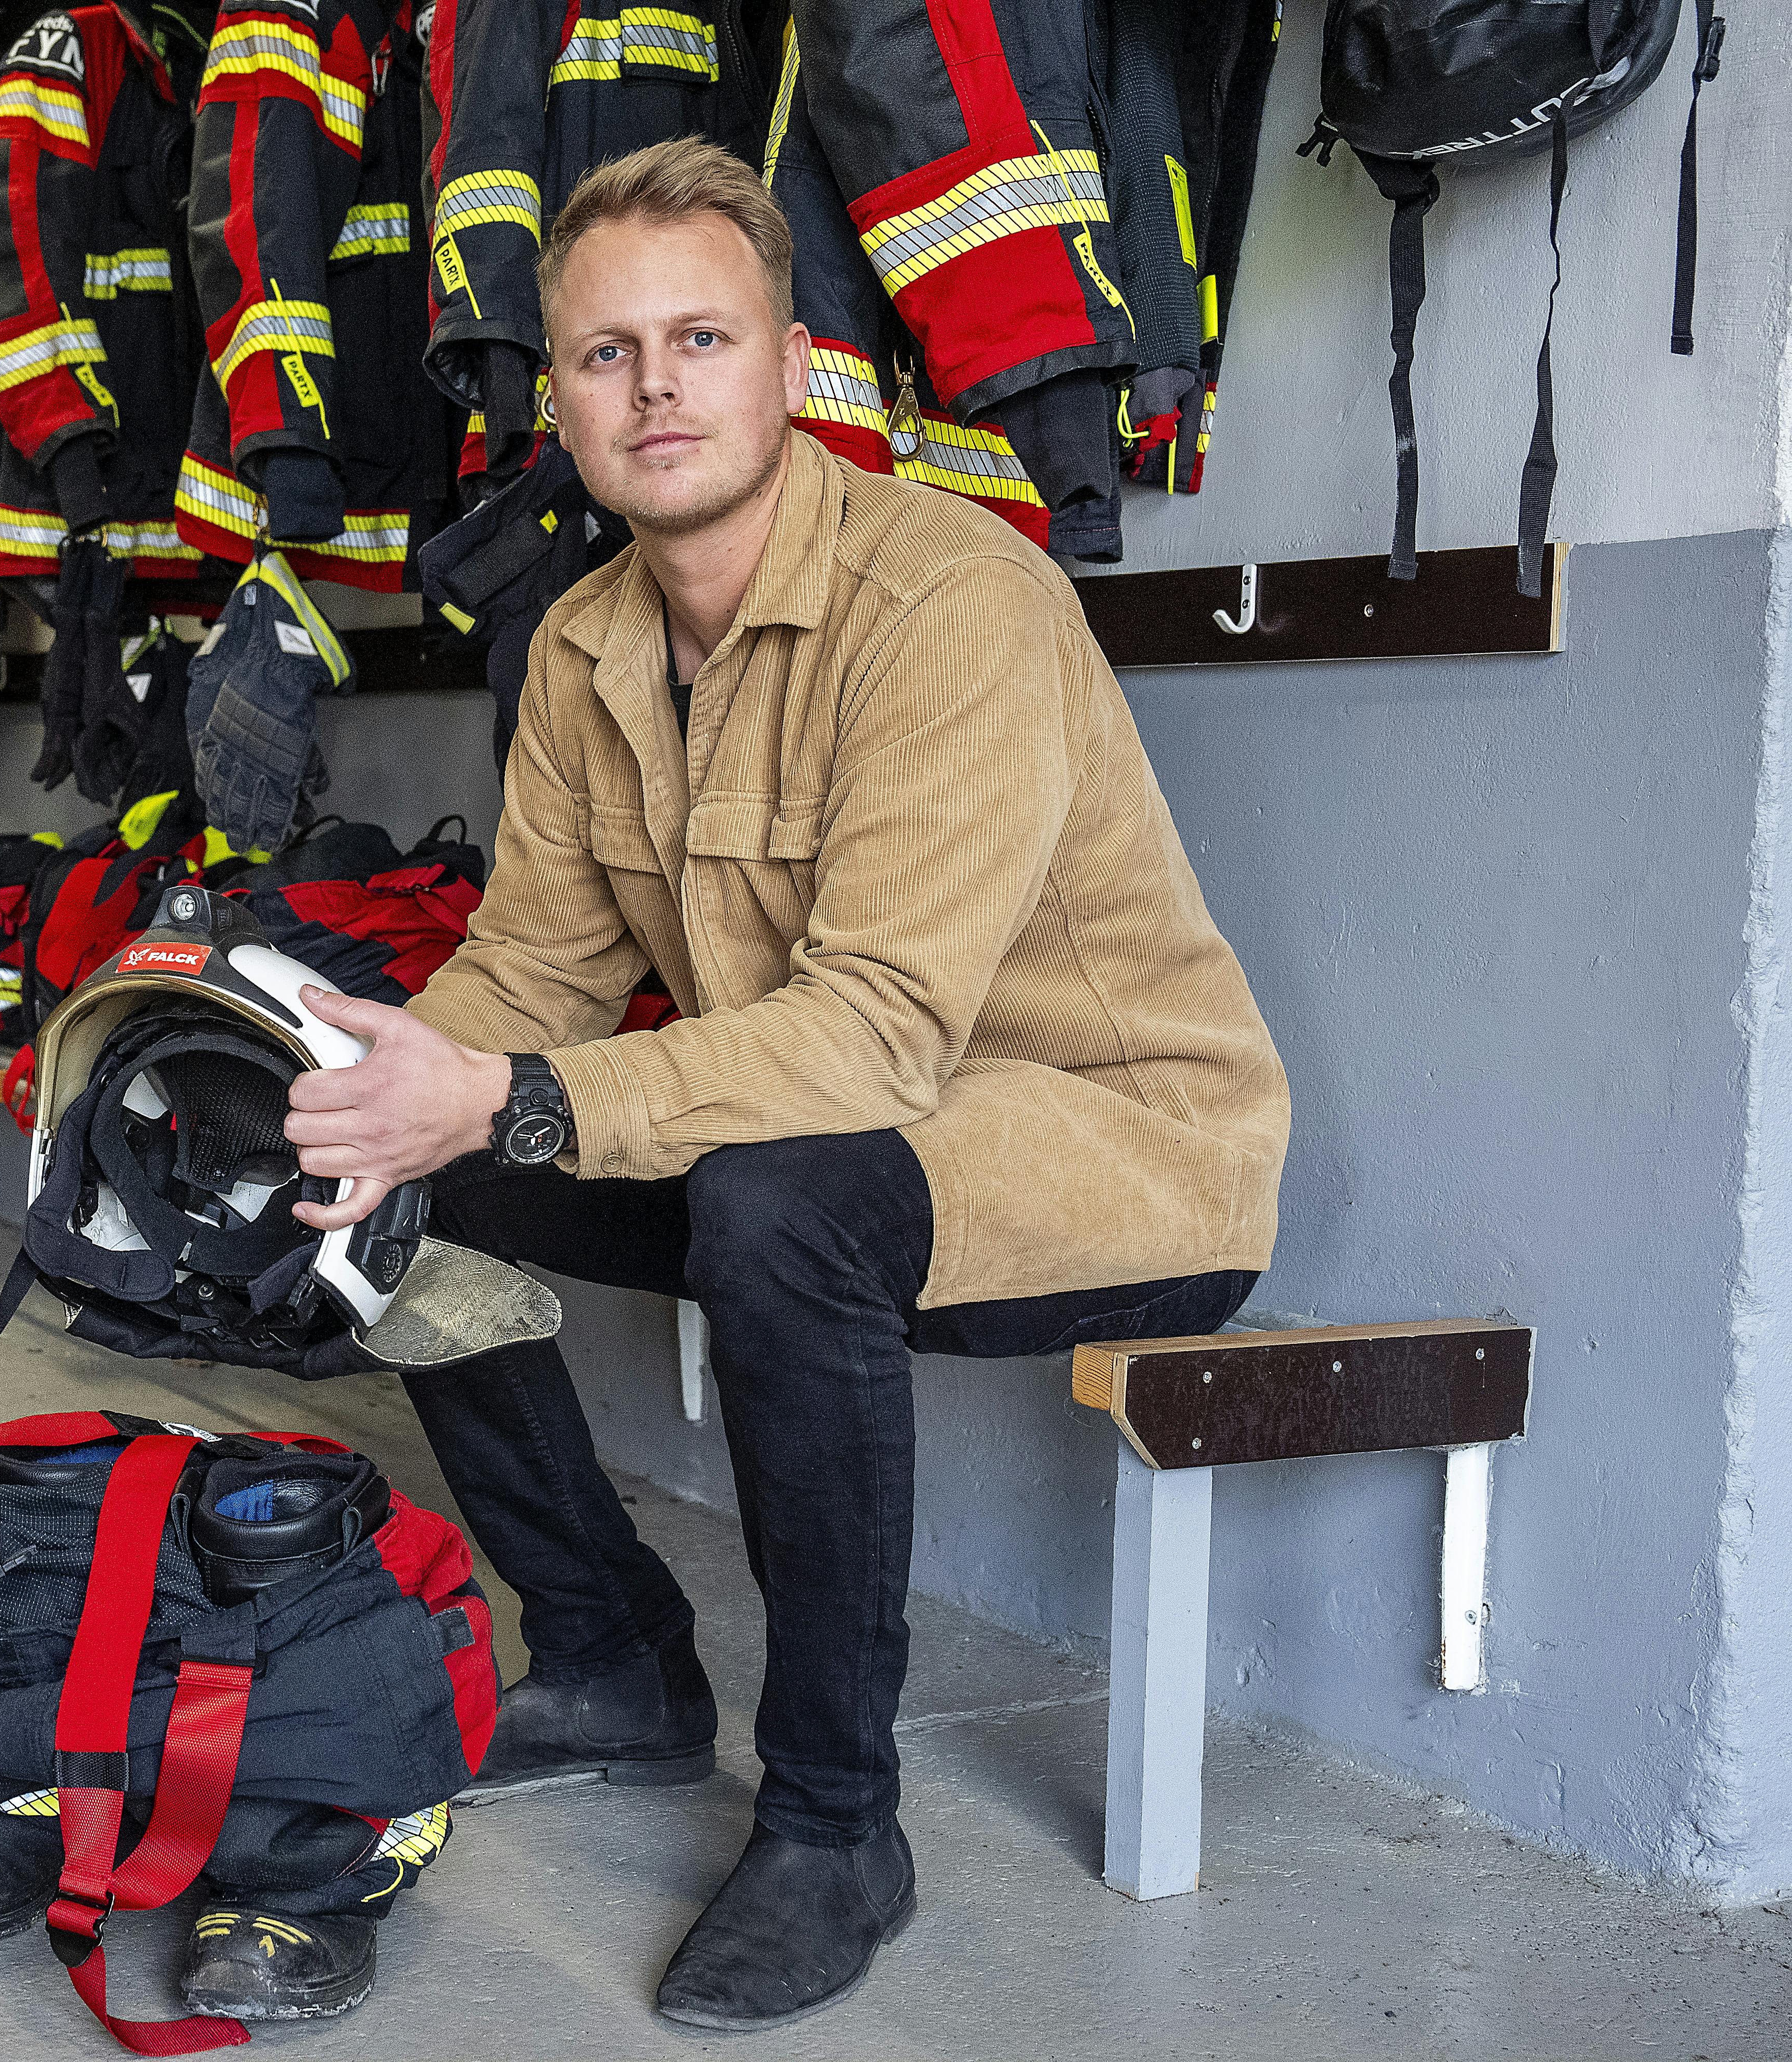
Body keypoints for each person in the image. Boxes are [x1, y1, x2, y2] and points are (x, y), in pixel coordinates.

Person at [279, 136, 1289, 2031]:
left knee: (770, 1191)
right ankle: (610, 1655)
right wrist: (381, 1077)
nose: (654, 388)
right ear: (560, 402)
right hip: (828, 1132)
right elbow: (536, 977)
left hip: (1111, 1148)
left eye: (700, 338)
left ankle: (837, 1824)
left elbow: (885, 1036)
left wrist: (511, 1094)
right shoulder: (584, 645)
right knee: (414, 1173)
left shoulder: (949, 601)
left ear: (790, 360)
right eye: (603, 355)